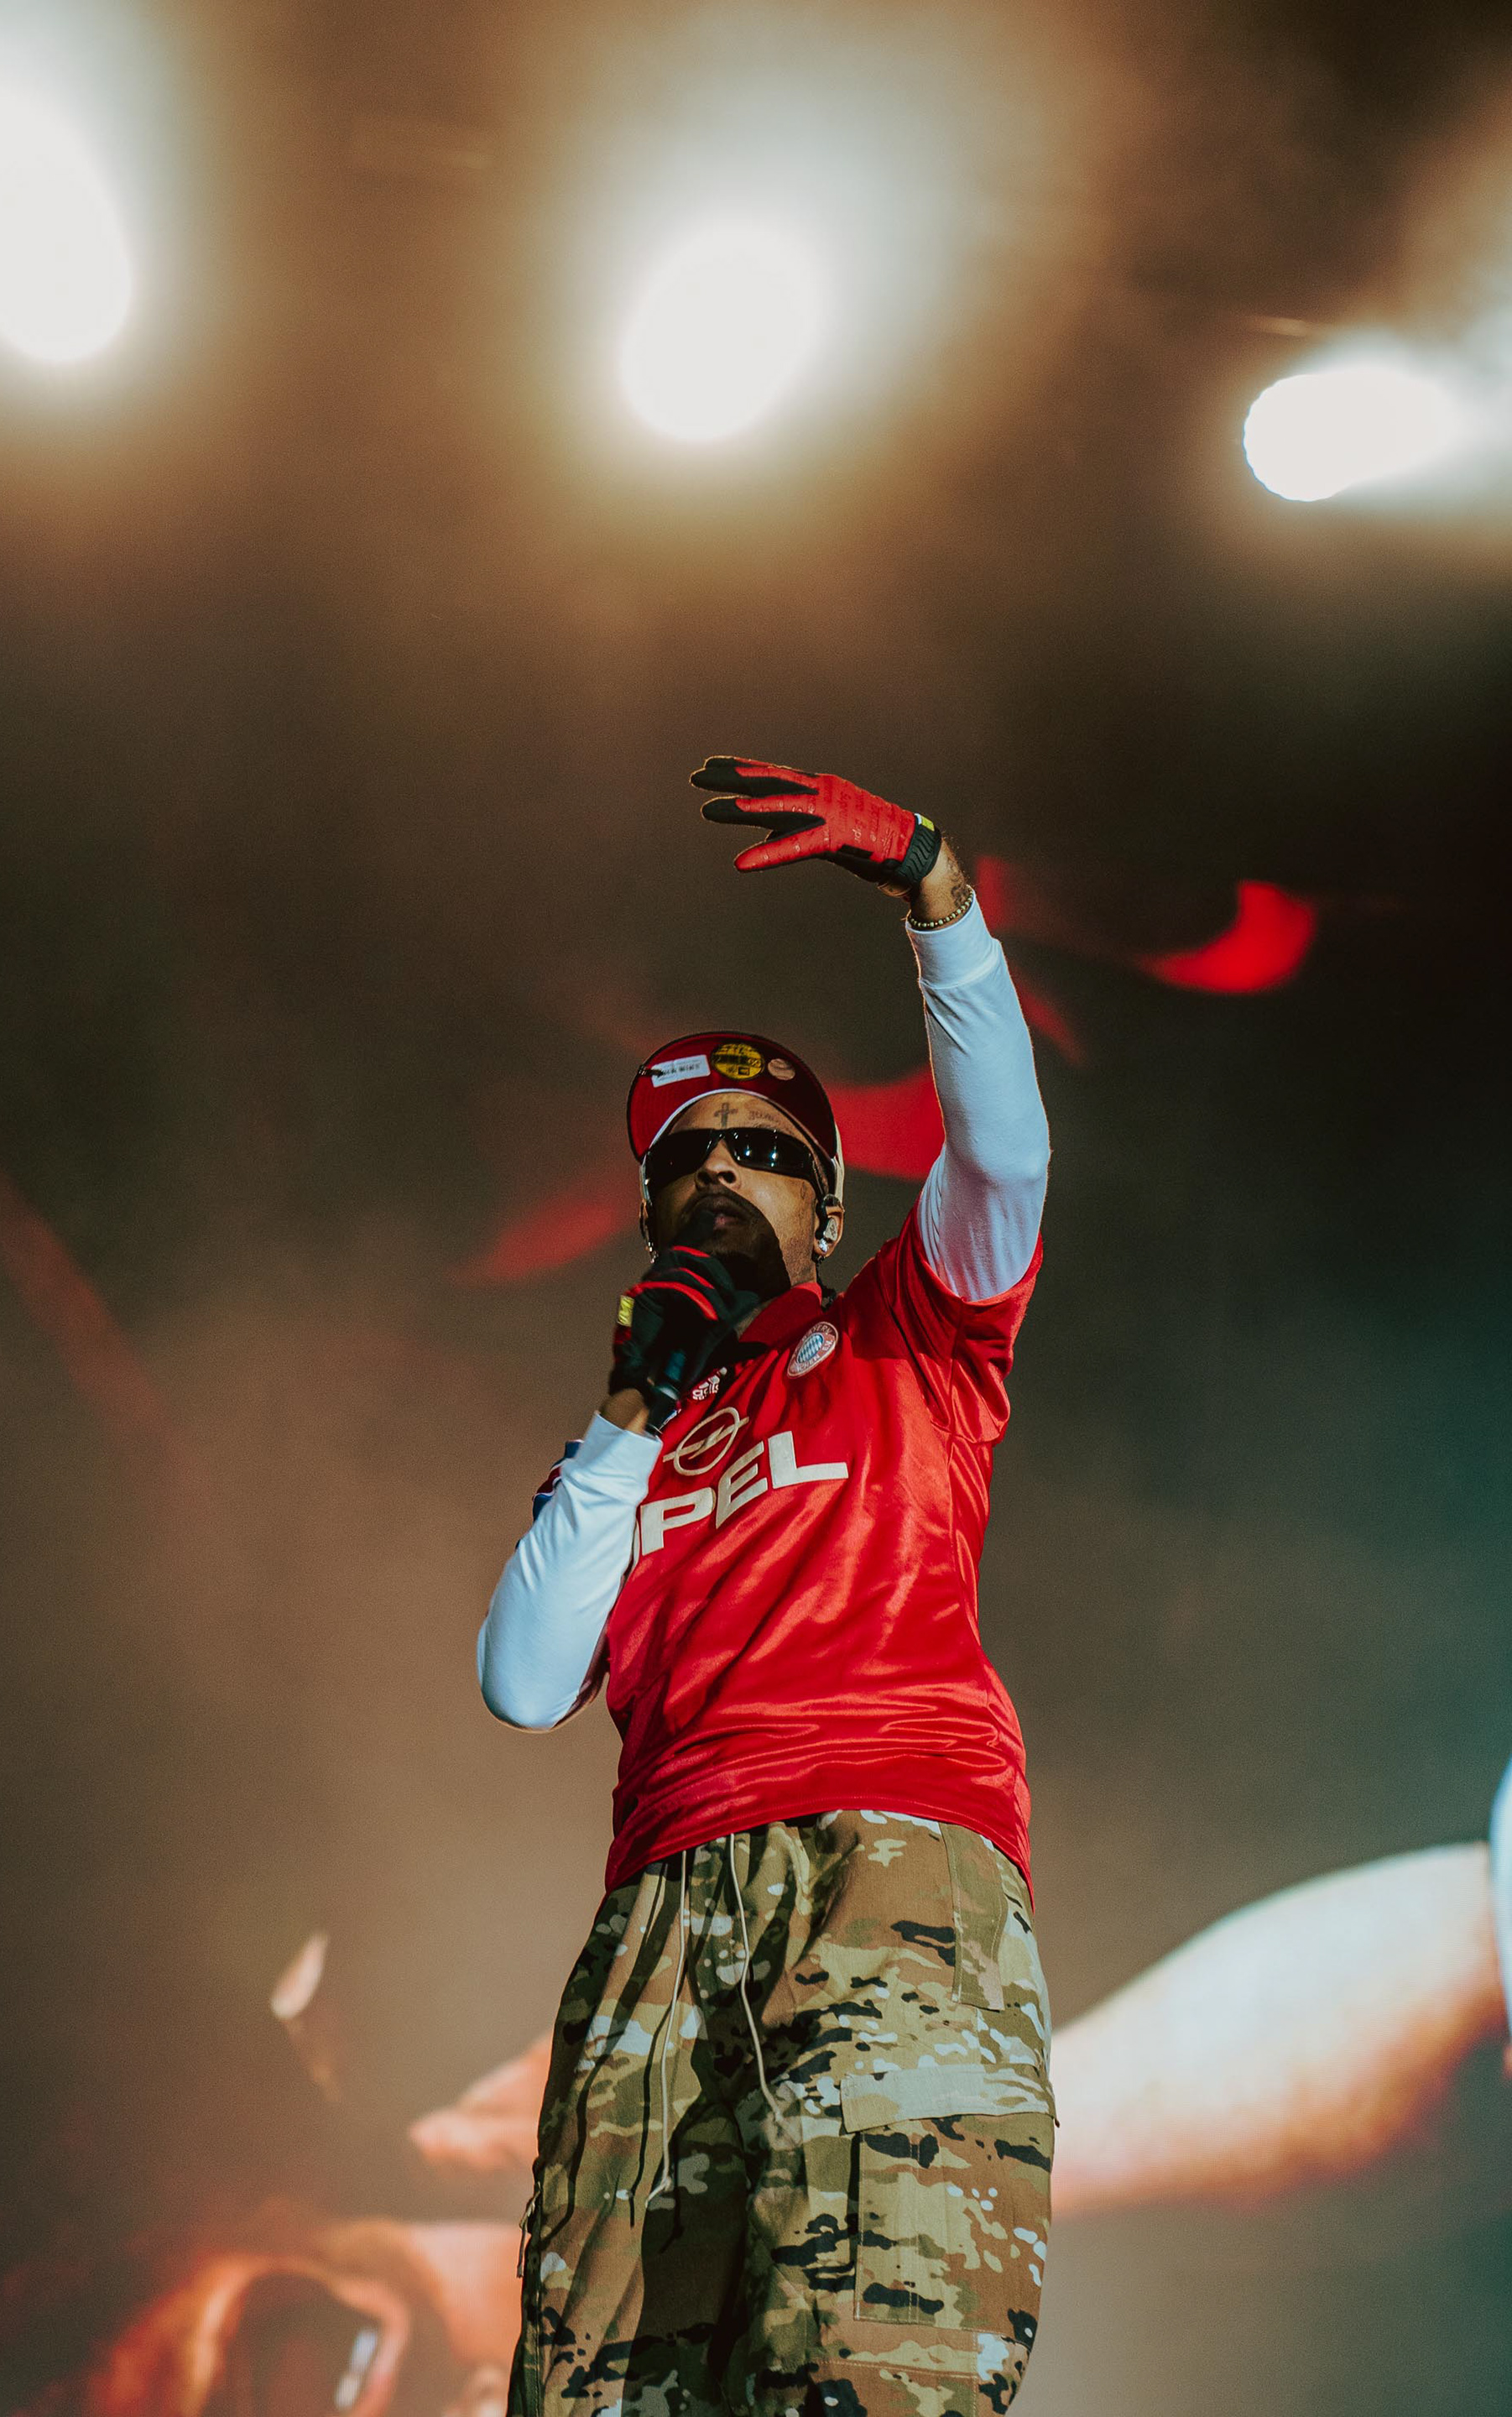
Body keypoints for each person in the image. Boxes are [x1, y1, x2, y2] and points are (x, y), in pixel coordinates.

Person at [477, 756, 1056, 2417]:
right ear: (652, 1210)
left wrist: (935, 892)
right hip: (661, 1905)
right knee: (603, 2378)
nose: (724, 1166)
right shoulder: (625, 1444)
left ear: (829, 1206)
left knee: (876, 2361)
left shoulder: (910, 1325)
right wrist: (628, 1410)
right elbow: (523, 1681)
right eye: (690, 1154)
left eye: (765, 1148)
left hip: (886, 1855)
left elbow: (1005, 1156)